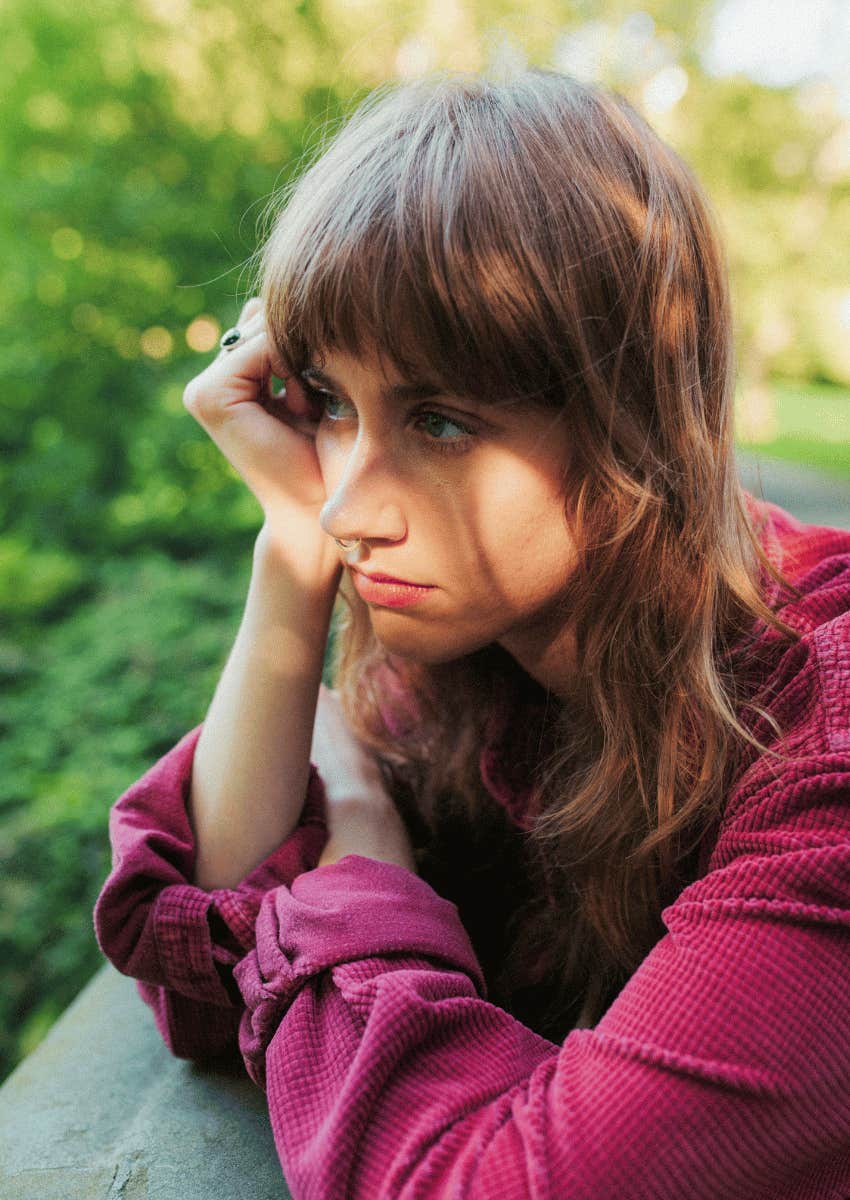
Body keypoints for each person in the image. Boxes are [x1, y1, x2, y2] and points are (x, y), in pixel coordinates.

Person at [93, 67, 850, 1199]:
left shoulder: (818, 747)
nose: (350, 501)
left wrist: (355, 849)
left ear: (628, 425)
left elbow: (494, 1184)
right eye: (329, 401)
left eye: (440, 420)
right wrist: (290, 556)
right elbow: (205, 984)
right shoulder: (480, 657)